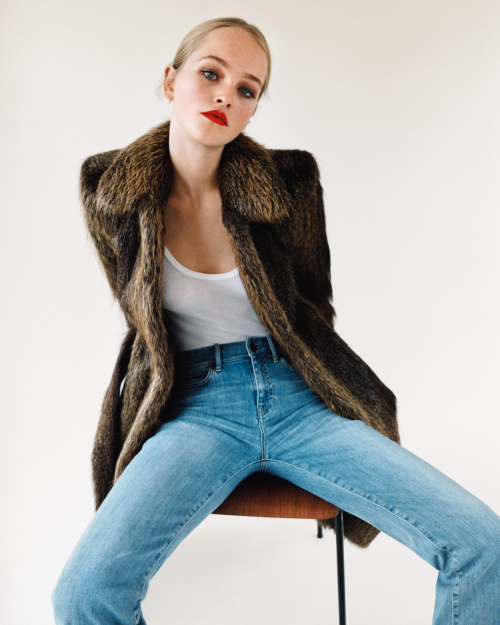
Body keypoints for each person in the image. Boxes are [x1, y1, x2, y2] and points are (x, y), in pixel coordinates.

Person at [51, 16, 500, 625]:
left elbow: (315, 303)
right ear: (171, 80)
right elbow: (140, 313)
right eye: (210, 74)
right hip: (195, 409)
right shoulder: (110, 189)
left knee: (481, 544)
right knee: (84, 593)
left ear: (253, 109)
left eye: (246, 89)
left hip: (299, 401)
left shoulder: (288, 184)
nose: (225, 96)